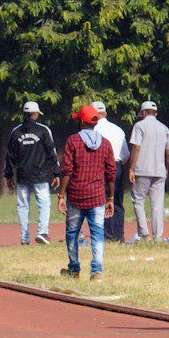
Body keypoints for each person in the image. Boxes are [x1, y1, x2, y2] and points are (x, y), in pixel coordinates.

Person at [57, 105, 115, 281]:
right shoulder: (105, 143)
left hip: (75, 195)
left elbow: (67, 170)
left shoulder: (73, 141)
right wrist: (110, 197)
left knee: (72, 233)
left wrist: (61, 195)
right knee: (97, 233)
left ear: (82, 122)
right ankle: (96, 271)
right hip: (97, 196)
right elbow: (111, 172)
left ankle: (74, 270)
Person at [2, 100, 58, 245]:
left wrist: (8, 175)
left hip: (22, 176)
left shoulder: (16, 132)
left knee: (22, 206)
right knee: (44, 204)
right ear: (35, 114)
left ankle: (24, 237)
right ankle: (42, 232)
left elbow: (10, 156)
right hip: (41, 175)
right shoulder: (44, 130)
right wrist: (56, 173)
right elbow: (51, 153)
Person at [127, 100, 169, 243]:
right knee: (158, 205)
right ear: (156, 114)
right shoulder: (164, 128)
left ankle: (144, 234)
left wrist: (131, 168)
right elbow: (168, 152)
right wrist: (166, 168)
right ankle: (158, 238)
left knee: (138, 200)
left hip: (142, 169)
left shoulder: (140, 126)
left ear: (144, 113)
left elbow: (136, 148)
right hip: (159, 171)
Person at [91, 100, 131, 242]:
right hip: (118, 165)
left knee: (103, 201)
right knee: (118, 201)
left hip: (101, 167)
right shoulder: (118, 129)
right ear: (105, 113)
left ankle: (107, 235)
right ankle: (119, 235)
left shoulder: (94, 130)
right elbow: (126, 154)